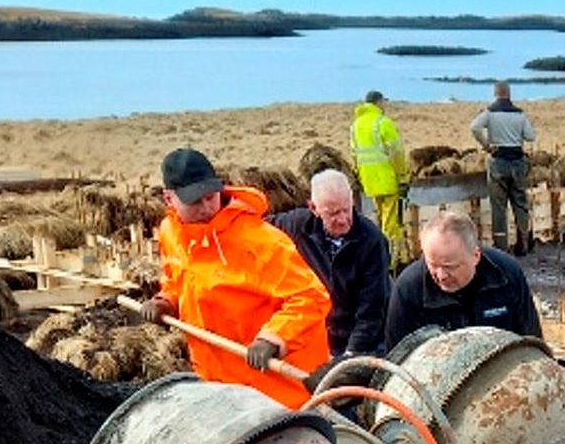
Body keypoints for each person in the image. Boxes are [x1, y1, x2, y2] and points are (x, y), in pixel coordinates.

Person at [385, 212, 543, 444]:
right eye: (433, 265)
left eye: (450, 266)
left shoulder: (505, 276)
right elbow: (395, 362)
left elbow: (531, 342)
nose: (440, 275)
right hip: (432, 402)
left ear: (476, 255)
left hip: (498, 400)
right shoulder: (409, 288)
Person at [140, 148, 332, 409]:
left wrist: (274, 339)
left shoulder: (260, 241)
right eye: (195, 201)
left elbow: (310, 296)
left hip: (280, 389)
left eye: (211, 197)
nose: (207, 207)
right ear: (169, 198)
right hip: (221, 386)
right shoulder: (170, 233)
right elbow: (178, 279)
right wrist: (166, 300)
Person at [271, 169, 391, 360]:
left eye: (347, 209)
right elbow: (258, 230)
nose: (343, 220)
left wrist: (349, 357)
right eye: (333, 213)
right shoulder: (297, 225)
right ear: (313, 208)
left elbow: (372, 311)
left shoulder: (373, 242)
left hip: (360, 342)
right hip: (314, 337)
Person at [469, 81, 538, 256]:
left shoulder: (490, 113)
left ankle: (501, 247)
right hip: (517, 160)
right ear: (509, 93)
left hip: (498, 161)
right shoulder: (519, 114)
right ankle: (523, 242)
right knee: (520, 204)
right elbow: (531, 136)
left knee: (499, 206)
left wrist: (486, 145)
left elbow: (474, 127)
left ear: (495, 93)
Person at [351, 90, 410, 262]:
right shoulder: (383, 122)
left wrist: (360, 177)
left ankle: (392, 255)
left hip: (369, 181)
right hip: (388, 179)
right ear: (378, 103)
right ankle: (390, 260)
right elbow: (396, 153)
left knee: (379, 218)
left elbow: (354, 155)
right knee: (391, 222)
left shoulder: (356, 125)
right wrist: (403, 177)